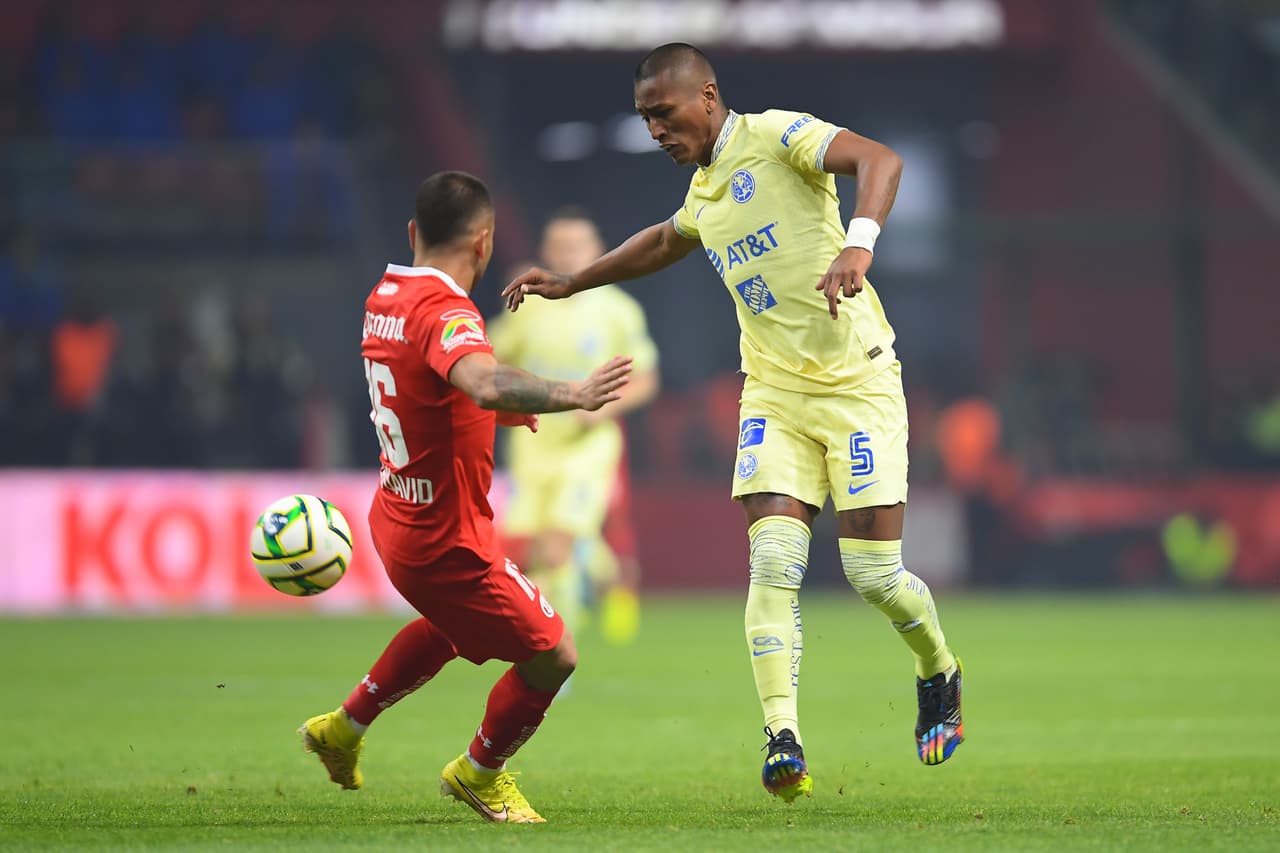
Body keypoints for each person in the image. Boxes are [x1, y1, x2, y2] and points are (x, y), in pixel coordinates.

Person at [504, 43, 963, 802]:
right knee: (774, 563)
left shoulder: (779, 136)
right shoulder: (705, 190)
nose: (654, 129)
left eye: (664, 112)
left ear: (708, 96)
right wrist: (572, 282)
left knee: (871, 574)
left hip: (857, 381)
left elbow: (881, 161)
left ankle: (938, 667)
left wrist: (859, 243)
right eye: (645, 117)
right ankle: (783, 735)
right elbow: (663, 240)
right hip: (774, 392)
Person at [299, 171, 632, 824]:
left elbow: (430, 387)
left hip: (397, 514)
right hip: (446, 542)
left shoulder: (386, 293)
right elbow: (478, 379)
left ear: (413, 233)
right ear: (484, 243)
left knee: (450, 630)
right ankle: (481, 771)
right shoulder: (447, 311)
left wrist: (496, 414)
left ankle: (343, 727)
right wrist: (572, 393)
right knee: (555, 653)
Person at [488, 208, 659, 644]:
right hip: (533, 441)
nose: (568, 254)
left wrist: (602, 409)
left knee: (558, 544)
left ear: (597, 249)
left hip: (588, 446)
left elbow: (646, 379)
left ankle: (554, 647)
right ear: (545, 252)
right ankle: (607, 582)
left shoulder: (618, 310)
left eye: (576, 246)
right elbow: (491, 361)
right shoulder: (527, 307)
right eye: (559, 247)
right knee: (533, 552)